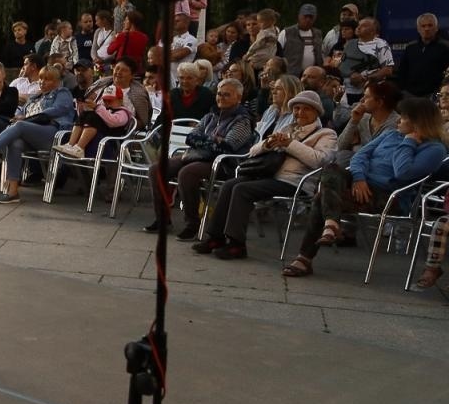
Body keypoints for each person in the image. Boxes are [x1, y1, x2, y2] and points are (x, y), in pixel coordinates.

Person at [283, 96, 447, 277]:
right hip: (359, 184)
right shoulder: (390, 134)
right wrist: (359, 178)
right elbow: (360, 156)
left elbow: (403, 173)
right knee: (332, 168)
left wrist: (408, 142)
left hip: (390, 196)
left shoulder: (434, 149)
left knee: (321, 198)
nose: (398, 120)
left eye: (404, 118)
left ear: (418, 122)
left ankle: (306, 256)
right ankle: (330, 224)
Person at [193, 90, 336, 260]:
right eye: (297, 108)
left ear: (316, 112)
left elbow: (319, 160)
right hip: (269, 174)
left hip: (294, 181)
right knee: (230, 184)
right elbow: (252, 151)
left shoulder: (326, 134)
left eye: (306, 109)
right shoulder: (288, 127)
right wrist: (268, 144)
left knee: (242, 189)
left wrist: (290, 144)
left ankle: (236, 243)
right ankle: (215, 237)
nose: (300, 113)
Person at [142, 78, 256, 237]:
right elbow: (190, 138)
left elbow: (227, 147)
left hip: (224, 163)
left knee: (187, 173)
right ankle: (163, 219)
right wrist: (213, 140)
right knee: (156, 169)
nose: (220, 98)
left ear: (238, 97)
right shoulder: (211, 115)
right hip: (198, 157)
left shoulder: (243, 121)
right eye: (219, 94)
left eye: (226, 95)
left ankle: (192, 223)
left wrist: (204, 141)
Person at [0, 65, 76, 204]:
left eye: (47, 79)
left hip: (53, 133)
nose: (42, 82)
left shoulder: (62, 92)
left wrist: (27, 118)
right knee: (15, 143)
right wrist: (18, 116)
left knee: (20, 125)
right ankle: (13, 192)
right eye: (41, 78)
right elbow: (21, 111)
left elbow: (58, 109)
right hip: (33, 133)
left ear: (57, 81)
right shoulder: (35, 97)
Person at [53, 58, 146, 159]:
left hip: (113, 135)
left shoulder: (136, 96)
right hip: (96, 126)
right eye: (117, 68)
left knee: (92, 117)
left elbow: (135, 121)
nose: (119, 72)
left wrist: (97, 107)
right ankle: (70, 145)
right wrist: (82, 107)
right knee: (86, 116)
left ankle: (79, 148)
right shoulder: (103, 88)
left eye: (124, 70)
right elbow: (95, 112)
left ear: (132, 75)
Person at [333, 81, 402, 169]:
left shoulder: (396, 123)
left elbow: (377, 154)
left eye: (366, 97)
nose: (362, 100)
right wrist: (353, 121)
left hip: (378, 167)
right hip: (360, 162)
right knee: (342, 156)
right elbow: (340, 146)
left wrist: (356, 148)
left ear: (380, 102)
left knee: (343, 157)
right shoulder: (364, 117)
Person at [392, 14, 449, 98]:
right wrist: (402, 90)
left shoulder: (445, 47)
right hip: (410, 94)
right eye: (423, 26)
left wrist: (440, 92)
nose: (426, 29)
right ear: (418, 29)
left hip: (433, 95)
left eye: (430, 25)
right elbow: (402, 71)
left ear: (436, 28)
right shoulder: (411, 47)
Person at [280, 4, 324, 74]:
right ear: (299, 16)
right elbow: (278, 54)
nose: (308, 19)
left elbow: (321, 54)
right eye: (305, 16)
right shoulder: (286, 32)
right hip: (291, 75)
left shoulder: (317, 34)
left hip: (313, 76)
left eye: (311, 17)